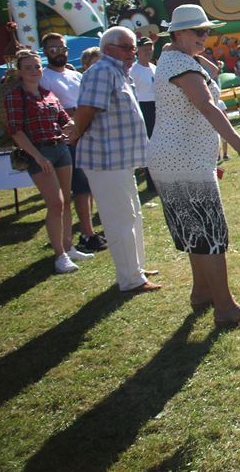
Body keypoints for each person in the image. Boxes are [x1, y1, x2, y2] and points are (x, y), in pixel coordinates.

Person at [147, 5, 240, 327]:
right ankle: (225, 308)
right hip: (185, 160)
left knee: (194, 231)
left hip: (172, 158)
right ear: (178, 33)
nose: (205, 36)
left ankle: (201, 293)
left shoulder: (174, 59)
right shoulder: (181, 65)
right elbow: (207, 107)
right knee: (211, 233)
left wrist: (198, 55)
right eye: (198, 31)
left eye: (207, 31)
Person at [69, 26, 160, 294]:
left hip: (120, 159)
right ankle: (130, 278)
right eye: (128, 47)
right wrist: (76, 133)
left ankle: (136, 269)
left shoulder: (120, 72)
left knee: (132, 215)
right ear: (108, 49)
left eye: (133, 47)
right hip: (105, 159)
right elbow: (86, 110)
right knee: (120, 219)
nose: (133, 52)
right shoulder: (101, 71)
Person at [5, 49, 93, 274]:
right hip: (39, 152)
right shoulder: (15, 96)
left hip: (60, 149)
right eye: (28, 68)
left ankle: (68, 246)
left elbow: (64, 120)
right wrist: (37, 156)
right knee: (55, 202)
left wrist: (77, 124)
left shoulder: (48, 93)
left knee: (65, 201)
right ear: (20, 72)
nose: (34, 71)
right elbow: (15, 130)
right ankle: (59, 255)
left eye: (37, 66)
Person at [39, 33, 105, 253]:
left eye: (62, 48)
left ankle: (90, 231)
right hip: (67, 137)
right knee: (78, 188)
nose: (59, 52)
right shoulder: (44, 77)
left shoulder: (75, 75)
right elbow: (54, 108)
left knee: (90, 184)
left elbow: (87, 102)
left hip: (87, 133)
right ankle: (85, 234)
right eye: (53, 49)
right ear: (45, 51)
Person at [130, 36, 158, 191]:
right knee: (149, 146)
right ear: (137, 50)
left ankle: (160, 178)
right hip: (143, 108)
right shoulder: (134, 70)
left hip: (156, 107)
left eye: (150, 48)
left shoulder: (153, 67)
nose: (148, 51)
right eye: (145, 49)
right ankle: (151, 182)